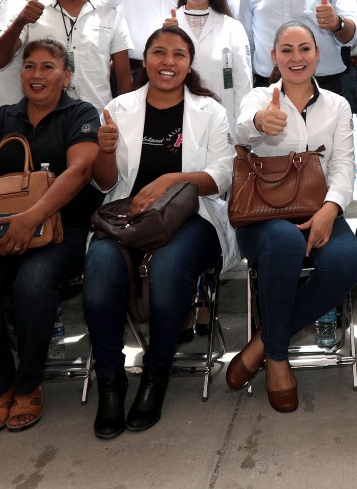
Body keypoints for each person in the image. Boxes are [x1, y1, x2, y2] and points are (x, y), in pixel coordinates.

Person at [84, 26, 237, 438]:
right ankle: (110, 382)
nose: (168, 62)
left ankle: (156, 373)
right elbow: (104, 182)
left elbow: (222, 177)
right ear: (145, 59)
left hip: (193, 217)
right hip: (126, 218)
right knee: (99, 275)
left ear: (189, 64)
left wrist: (171, 179)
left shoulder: (210, 111)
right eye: (159, 52)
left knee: (168, 271)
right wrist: (104, 150)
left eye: (178, 54)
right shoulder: (119, 107)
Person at [0, 39, 99, 434]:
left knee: (33, 283)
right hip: (2, 230)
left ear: (66, 76)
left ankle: (29, 383)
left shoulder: (81, 113)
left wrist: (32, 217)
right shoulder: (4, 117)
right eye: (29, 66)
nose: (37, 74)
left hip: (64, 229)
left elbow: (80, 171)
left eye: (48, 67)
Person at [229, 22, 357, 413]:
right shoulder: (259, 97)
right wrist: (260, 123)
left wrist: (330, 210)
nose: (296, 57)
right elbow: (242, 130)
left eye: (304, 48)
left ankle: (264, 341)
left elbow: (344, 167)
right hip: (262, 217)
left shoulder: (338, 105)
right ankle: (276, 358)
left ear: (317, 53)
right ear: (273, 57)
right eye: (286, 50)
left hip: (320, 209)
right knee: (285, 242)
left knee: (347, 262)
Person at [0, 0, 133, 113]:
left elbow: (124, 81)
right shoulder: (31, 12)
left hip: (96, 118)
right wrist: (20, 21)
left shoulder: (111, 17)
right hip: (43, 119)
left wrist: (120, 120)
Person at [166, 0, 252, 126]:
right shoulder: (167, 27)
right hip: (177, 123)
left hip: (223, 124)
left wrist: (242, 132)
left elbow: (243, 87)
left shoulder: (233, 28)